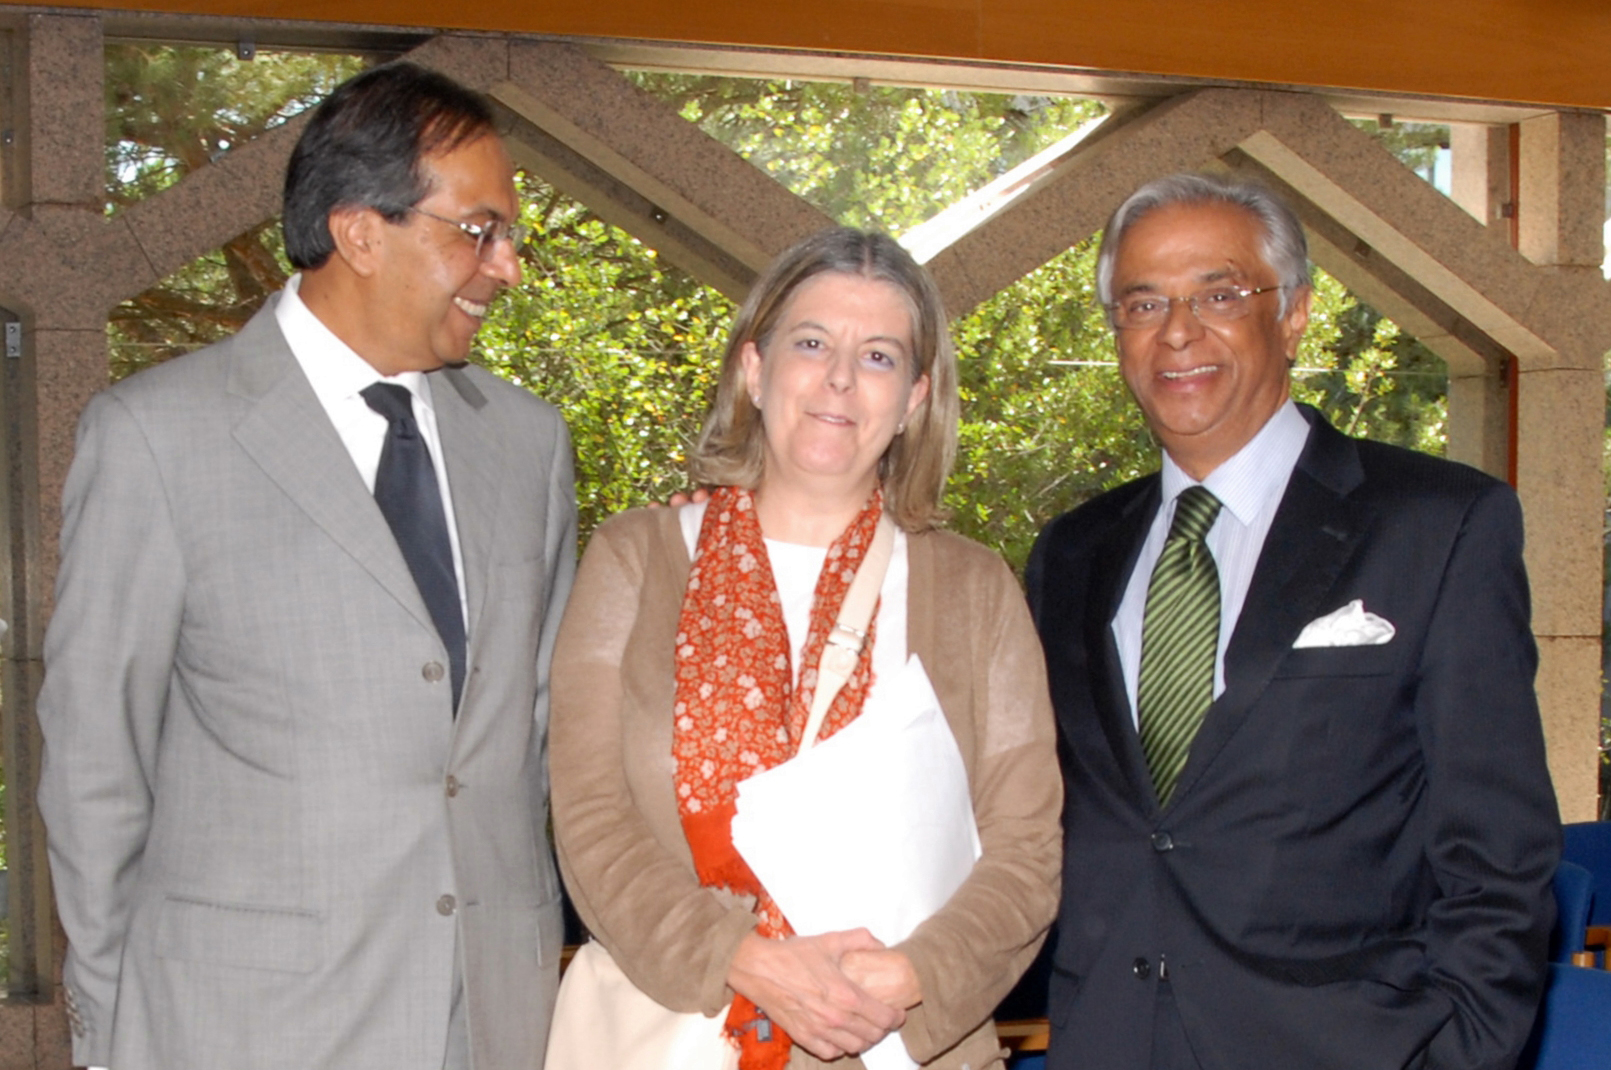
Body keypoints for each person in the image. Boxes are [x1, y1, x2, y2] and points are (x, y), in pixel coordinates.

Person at [36, 62, 575, 1070]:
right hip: (236, 1029)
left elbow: (536, 731)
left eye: (509, 237)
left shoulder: (529, 446)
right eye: (479, 230)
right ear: (361, 229)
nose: (505, 266)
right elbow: (94, 767)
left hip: (485, 1021)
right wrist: (117, 1031)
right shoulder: (157, 437)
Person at [1026, 172, 1559, 1070]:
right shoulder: (1071, 554)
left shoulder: (1437, 524)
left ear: (1296, 312)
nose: (1178, 330)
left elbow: (1496, 851)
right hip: (1108, 1039)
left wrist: (1457, 1052)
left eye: (1219, 293)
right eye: (1142, 301)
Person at [550, 227, 1061, 1070]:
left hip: (892, 1041)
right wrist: (741, 960)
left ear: (913, 399)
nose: (838, 379)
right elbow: (590, 817)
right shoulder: (635, 558)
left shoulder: (972, 590)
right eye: (812, 343)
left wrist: (906, 979)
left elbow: (1024, 849)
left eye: (879, 357)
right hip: (666, 1035)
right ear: (754, 370)